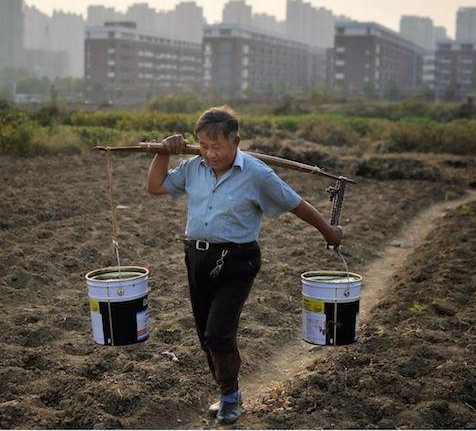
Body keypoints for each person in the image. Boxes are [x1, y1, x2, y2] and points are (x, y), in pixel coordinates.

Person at [147, 105, 342, 425]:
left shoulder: (257, 174)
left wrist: (329, 232)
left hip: (237, 262)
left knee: (219, 335)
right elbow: (155, 186)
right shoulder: (192, 167)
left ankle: (227, 397)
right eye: (204, 146)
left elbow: (297, 205)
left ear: (236, 142)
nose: (209, 154)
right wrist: (163, 153)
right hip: (196, 258)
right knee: (206, 337)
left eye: (217, 147)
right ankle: (229, 391)